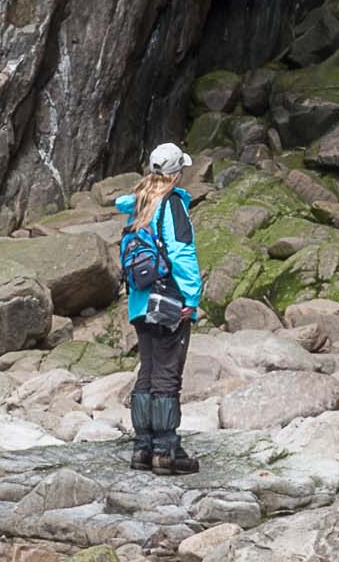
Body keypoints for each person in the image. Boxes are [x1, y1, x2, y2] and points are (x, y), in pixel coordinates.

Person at [115, 141, 204, 475]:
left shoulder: (138, 205)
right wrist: (192, 299)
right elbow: (181, 255)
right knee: (167, 374)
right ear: (177, 173)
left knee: (148, 371)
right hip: (168, 301)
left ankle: (143, 447)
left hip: (140, 301)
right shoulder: (172, 205)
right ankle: (166, 451)